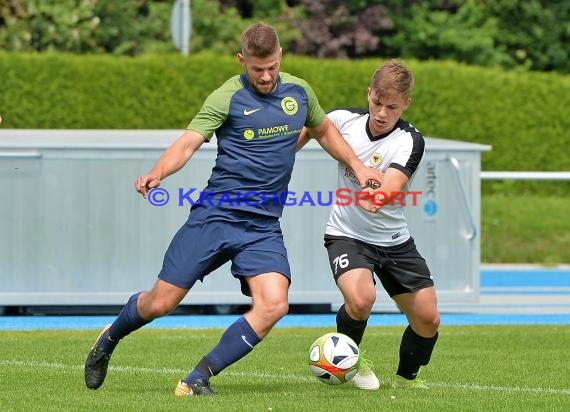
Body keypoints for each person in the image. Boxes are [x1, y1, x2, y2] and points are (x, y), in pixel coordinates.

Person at [84, 22, 382, 396]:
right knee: (160, 303)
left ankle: (198, 377)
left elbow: (324, 132)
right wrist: (157, 171)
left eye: (272, 66)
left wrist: (358, 167)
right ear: (243, 60)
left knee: (274, 305)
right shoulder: (226, 96)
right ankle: (108, 339)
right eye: (257, 68)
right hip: (216, 217)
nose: (266, 75)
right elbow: (188, 143)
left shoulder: (299, 92)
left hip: (262, 227)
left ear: (280, 57)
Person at [297, 60, 440, 390]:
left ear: (405, 105)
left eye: (391, 107)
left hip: (394, 241)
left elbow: (393, 185)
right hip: (346, 235)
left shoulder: (409, 140)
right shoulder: (342, 120)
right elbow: (304, 133)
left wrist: (377, 198)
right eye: (377, 102)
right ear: (369, 94)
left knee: (428, 319)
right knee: (361, 300)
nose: (381, 113)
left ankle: (407, 379)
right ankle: (351, 362)